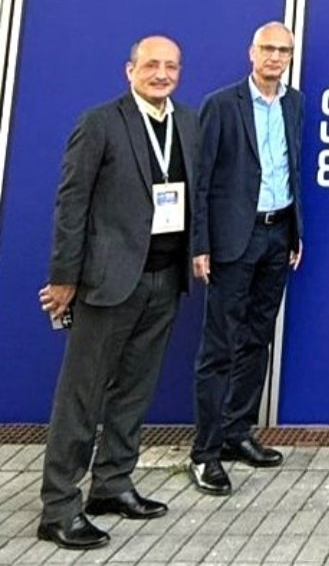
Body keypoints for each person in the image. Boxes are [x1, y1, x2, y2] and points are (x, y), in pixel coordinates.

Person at [37, 36, 198, 549]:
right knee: (82, 395)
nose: (161, 74)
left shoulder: (188, 122)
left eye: (171, 66)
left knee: (134, 391)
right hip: (108, 283)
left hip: (165, 278)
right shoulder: (100, 123)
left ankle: (111, 484)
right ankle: (59, 506)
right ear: (130, 70)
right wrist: (64, 277)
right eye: (151, 65)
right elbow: (71, 205)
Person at [189, 22, 304, 495]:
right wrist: (200, 244)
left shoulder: (295, 104)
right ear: (251, 52)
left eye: (284, 51)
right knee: (219, 346)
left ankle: (237, 432)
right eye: (268, 49)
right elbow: (201, 179)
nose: (275, 57)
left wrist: (296, 231)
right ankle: (205, 453)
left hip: (279, 235)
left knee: (257, 339)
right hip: (234, 240)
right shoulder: (221, 105)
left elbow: (292, 168)